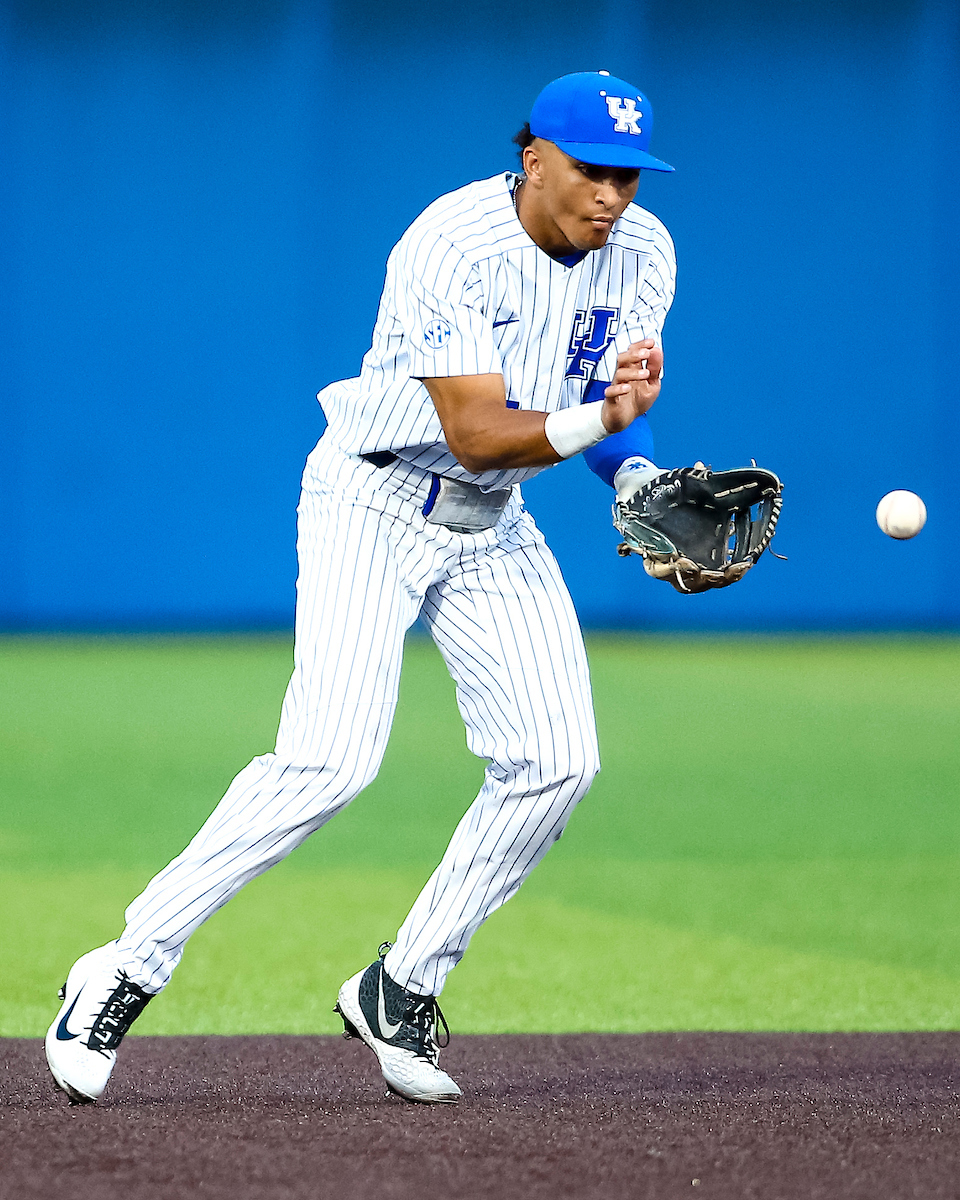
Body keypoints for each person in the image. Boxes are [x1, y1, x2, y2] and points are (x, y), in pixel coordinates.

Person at [45, 70, 676, 1106]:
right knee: (329, 761)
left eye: (630, 175)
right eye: (593, 170)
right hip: (374, 499)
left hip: (492, 522)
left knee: (557, 763)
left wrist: (639, 471)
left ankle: (402, 985)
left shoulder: (645, 254)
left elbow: (607, 397)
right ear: (534, 160)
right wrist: (602, 429)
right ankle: (124, 965)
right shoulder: (451, 245)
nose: (613, 194)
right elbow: (476, 430)